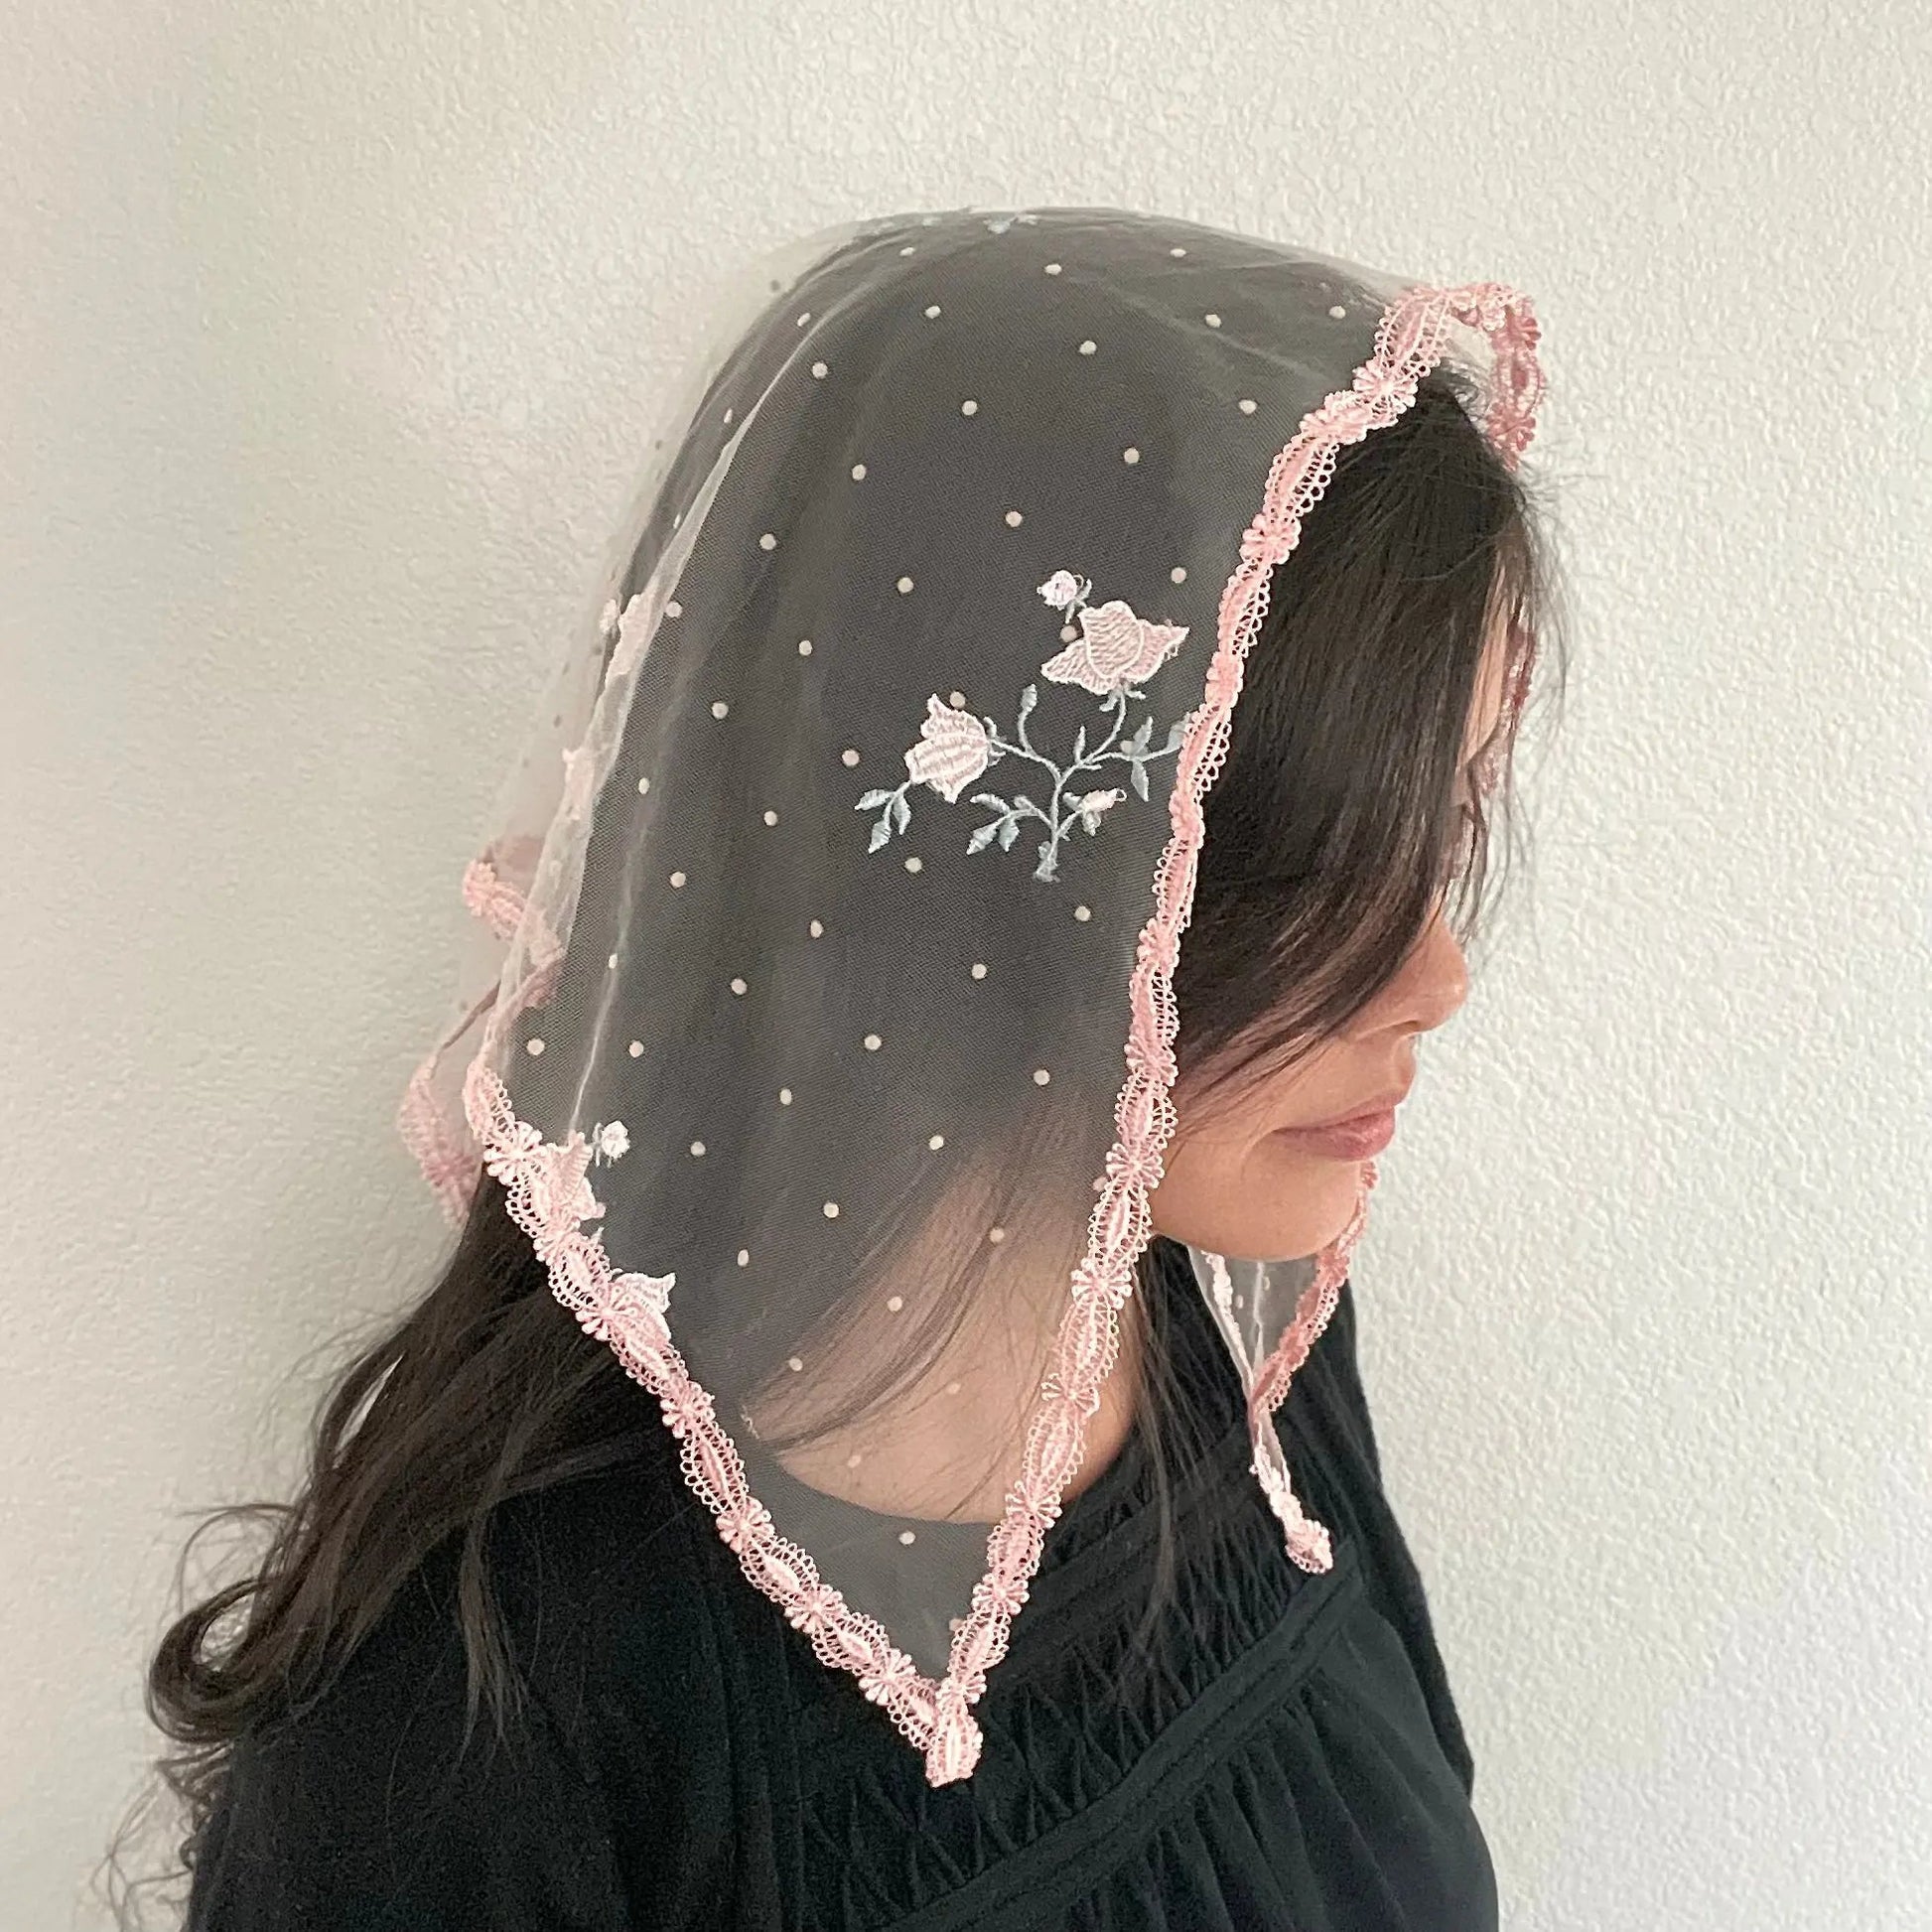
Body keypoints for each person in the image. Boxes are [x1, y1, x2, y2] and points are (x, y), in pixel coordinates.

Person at [138, 206, 1563, 1930]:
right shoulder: (472, 1738)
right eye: (1324, 860)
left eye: (1453, 826)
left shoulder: (1248, 1384)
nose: (1439, 974)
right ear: (995, 873)